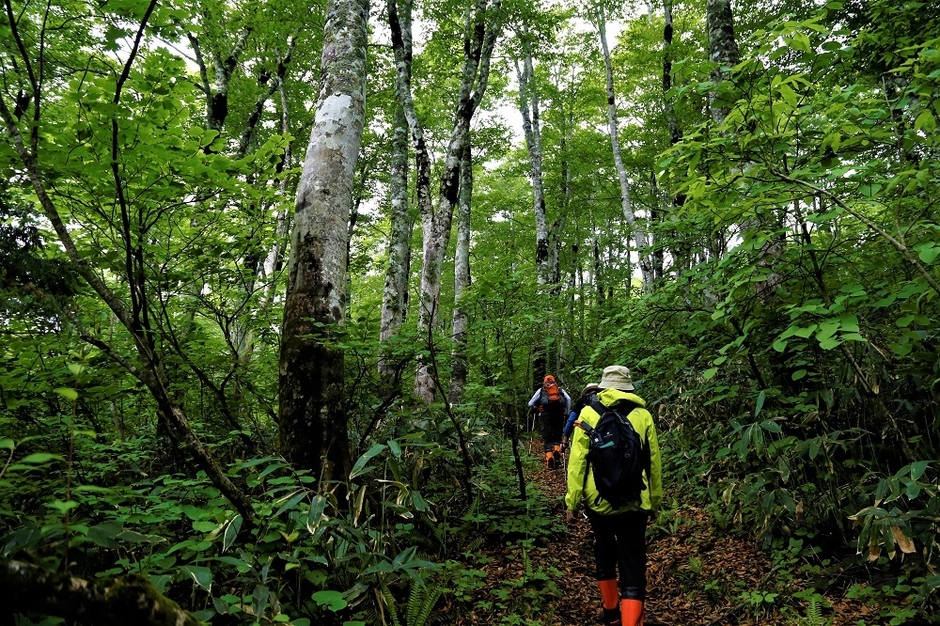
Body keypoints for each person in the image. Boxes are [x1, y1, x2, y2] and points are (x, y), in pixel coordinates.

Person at [564, 365, 662, 626]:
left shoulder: (588, 412)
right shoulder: (643, 415)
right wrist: (654, 502)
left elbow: (577, 462)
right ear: (628, 387)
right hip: (635, 499)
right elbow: (653, 463)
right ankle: (631, 622)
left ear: (604, 386)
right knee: (633, 560)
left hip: (599, 500)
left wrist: (572, 502)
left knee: (604, 549)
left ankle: (609, 611)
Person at [526, 374, 572, 469]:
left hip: (545, 416)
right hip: (559, 415)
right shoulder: (559, 390)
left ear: (544, 381)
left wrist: (537, 408)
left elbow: (530, 403)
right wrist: (567, 412)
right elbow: (568, 399)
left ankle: (549, 458)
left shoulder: (541, 390)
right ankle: (557, 453)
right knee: (557, 436)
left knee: (547, 437)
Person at [561, 381, 602, 450]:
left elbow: (571, 420)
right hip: (601, 432)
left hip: (584, 431)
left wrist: (565, 440)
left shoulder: (581, 401)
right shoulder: (602, 400)